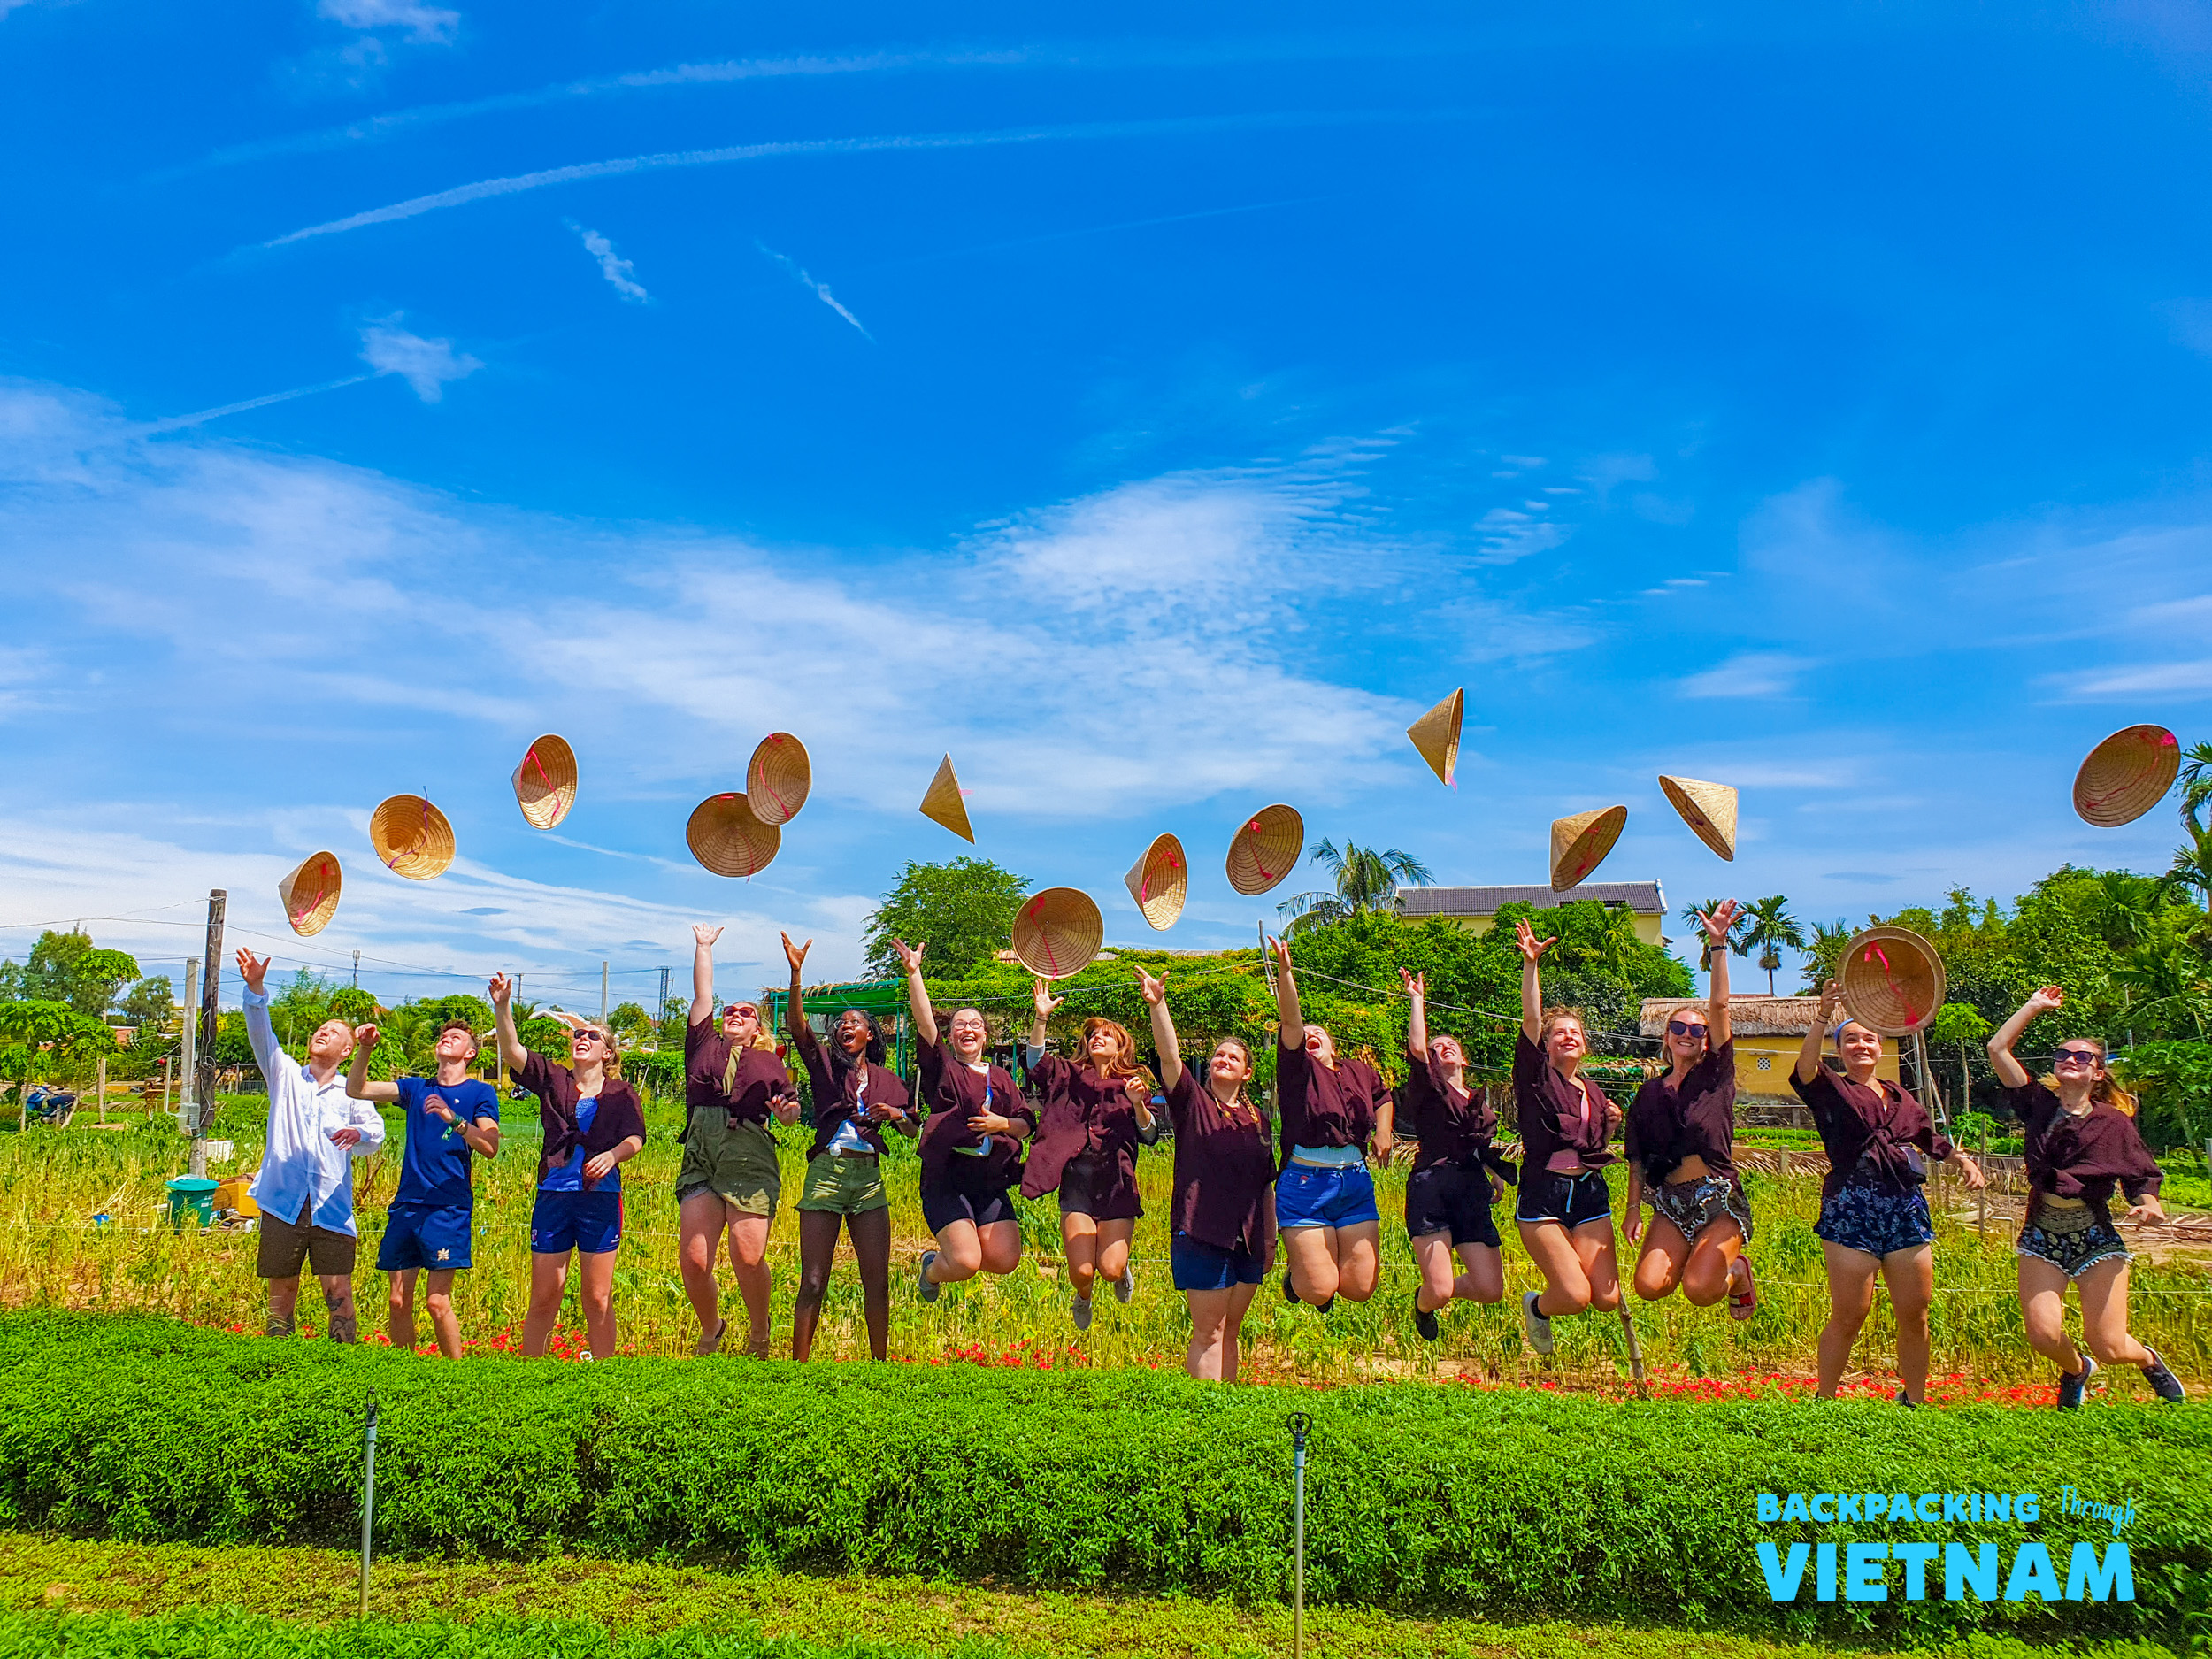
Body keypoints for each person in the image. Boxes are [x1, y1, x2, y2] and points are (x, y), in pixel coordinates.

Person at [1986, 987, 2185, 1406]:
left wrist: (2149, 1205)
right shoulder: (2037, 1105)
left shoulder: (2114, 1123)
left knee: (2110, 1346)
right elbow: (1997, 1048)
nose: (2071, 1060)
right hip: (2041, 1233)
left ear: (2098, 1073)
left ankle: (2148, 1360)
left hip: (2095, 1236)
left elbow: (2142, 1174)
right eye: (2063, 1055)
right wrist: (2033, 1006)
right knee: (2043, 1336)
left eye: (2082, 1057)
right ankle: (2077, 1369)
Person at [1793, 978, 1984, 1406]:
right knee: (1850, 1314)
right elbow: (1805, 1071)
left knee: (1915, 1313)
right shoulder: (1832, 1088)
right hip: (1851, 1205)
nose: (1861, 1045)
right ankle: (1824, 1400)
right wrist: (1823, 1015)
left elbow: (1929, 1139)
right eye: (1851, 1040)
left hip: (1904, 1206)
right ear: (1839, 1050)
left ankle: (1914, 1400)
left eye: (1869, 1039)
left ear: (1881, 1047)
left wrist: (1963, 1161)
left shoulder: (1901, 1097)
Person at [489, 973, 645, 1359]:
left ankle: (604, 1375)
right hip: (554, 1196)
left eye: (592, 1036)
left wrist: (613, 1156)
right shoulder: (553, 1078)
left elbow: (636, 1138)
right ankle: (533, 1371)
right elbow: (512, 1051)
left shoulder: (622, 1092)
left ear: (607, 1053)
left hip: (600, 1199)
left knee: (597, 1297)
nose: (582, 1038)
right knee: (545, 1294)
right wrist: (502, 1005)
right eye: (578, 1034)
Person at [781, 932, 917, 1361]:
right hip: (827, 1173)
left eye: (855, 1022)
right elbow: (798, 1028)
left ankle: (879, 1366)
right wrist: (797, 974)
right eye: (840, 1023)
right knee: (813, 1280)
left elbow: (912, 1129)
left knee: (877, 1281)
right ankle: (799, 1368)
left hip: (869, 1180)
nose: (845, 1026)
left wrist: (894, 1115)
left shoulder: (889, 1080)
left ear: (870, 1035)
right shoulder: (824, 1065)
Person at [1136, 966, 1276, 1379]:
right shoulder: (1193, 1102)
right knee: (1208, 1332)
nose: (1223, 1059)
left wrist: (1269, 1240)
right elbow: (1169, 1057)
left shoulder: (1258, 1119)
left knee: (1230, 1331)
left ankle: (1228, 1406)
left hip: (1249, 1239)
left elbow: (1265, 1187)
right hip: (1201, 1232)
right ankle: (1204, 1410)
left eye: (1233, 1057)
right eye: (1218, 1055)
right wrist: (1158, 1005)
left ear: (1247, 1073)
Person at [236, 950, 384, 1340]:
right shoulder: (284, 1074)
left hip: (331, 1207)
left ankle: (341, 1363)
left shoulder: (352, 1091)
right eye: (320, 1029)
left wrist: (359, 1135)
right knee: (281, 1292)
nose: (323, 1033)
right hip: (282, 1202)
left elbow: (376, 1131)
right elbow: (260, 1033)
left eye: (333, 1032)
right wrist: (256, 989)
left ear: (347, 1051)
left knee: (338, 1292)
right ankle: (278, 1361)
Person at [1624, 900, 1756, 1317]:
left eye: (1697, 1030)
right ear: (1666, 1036)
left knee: (1700, 1289)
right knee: (1649, 1286)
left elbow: (1720, 1007)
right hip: (1671, 1199)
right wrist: (1632, 1210)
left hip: (1717, 1196)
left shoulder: (1715, 1077)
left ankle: (1736, 1272)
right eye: (1678, 1027)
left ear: (1706, 1040)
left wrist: (1718, 946)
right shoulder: (1648, 1093)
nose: (1688, 1033)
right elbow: (1636, 1157)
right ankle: (1700, 1259)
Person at [344, 1016, 501, 1358]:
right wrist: (365, 1048)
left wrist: (453, 1119)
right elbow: (357, 1090)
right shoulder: (415, 1088)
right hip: (407, 1205)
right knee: (398, 1299)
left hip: (448, 1208)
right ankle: (406, 1371)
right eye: (444, 1036)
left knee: (436, 1302)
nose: (447, 1039)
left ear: (471, 1053)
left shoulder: (480, 1092)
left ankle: (455, 1374)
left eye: (456, 1037)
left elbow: (490, 1146)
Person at [682, 924, 803, 1357]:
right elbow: (702, 995)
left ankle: (759, 1331)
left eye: (746, 1013)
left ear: (757, 1028)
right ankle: (712, 1328)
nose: (734, 1014)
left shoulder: (769, 1061)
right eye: (729, 1010)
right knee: (695, 1260)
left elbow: (790, 1108)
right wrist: (704, 947)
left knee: (748, 1257)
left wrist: (787, 1115)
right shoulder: (702, 1045)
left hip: (749, 1151)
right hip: (702, 1148)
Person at [892, 938, 1034, 1300]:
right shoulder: (944, 1069)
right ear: (951, 1036)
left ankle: (959, 1248)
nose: (967, 1029)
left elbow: (1025, 1125)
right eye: (959, 1025)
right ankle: (932, 1268)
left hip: (988, 1179)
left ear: (985, 1035)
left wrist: (1001, 1125)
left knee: (1005, 1260)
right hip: (947, 1178)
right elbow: (925, 1025)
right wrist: (914, 974)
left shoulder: (1002, 1078)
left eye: (975, 1024)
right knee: (966, 1261)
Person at [1510, 917, 1624, 1356]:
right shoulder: (1535, 1077)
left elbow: (1593, 1146)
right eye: (1559, 1033)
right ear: (1547, 1044)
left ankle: (1567, 1280)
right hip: (1545, 1193)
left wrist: (1609, 1126)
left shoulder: (1593, 1091)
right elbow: (1530, 1017)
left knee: (1607, 1299)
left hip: (1590, 1193)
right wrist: (1531, 965)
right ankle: (1537, 1306)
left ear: (1585, 1045)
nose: (1568, 1037)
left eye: (1575, 1033)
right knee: (1575, 1296)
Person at [1022, 978, 1161, 1331]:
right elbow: (1036, 1063)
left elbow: (1150, 1135)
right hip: (1077, 1185)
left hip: (1117, 1185)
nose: (1097, 1038)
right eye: (1093, 1035)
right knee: (1083, 1273)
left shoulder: (1133, 1082)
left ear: (1120, 1046)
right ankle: (1083, 1296)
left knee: (1109, 1269)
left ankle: (1121, 1269)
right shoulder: (1067, 1075)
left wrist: (1137, 1104)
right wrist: (1041, 1018)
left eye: (1106, 1035)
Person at [1267, 935, 1386, 1311]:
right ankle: (1301, 1274)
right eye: (1308, 1034)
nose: (1312, 1035)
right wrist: (1286, 972)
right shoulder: (1297, 1070)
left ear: (1333, 1046)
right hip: (1305, 1182)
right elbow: (1291, 1021)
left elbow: (1383, 1098)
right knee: (1320, 1290)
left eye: (1320, 1033)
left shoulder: (1358, 1071)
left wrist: (1383, 1132)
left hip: (1354, 1180)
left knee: (1360, 1288)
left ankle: (1312, 1265)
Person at [1397, 968, 1517, 1343]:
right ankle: (1423, 1302)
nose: (1443, 1047)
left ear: (1464, 1060)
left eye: (1451, 1045)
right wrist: (1417, 999)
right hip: (1432, 1188)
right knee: (1439, 1290)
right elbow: (1418, 1049)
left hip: (1471, 1192)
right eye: (1437, 1046)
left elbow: (1478, 1143)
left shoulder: (1481, 1105)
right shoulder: (1429, 1089)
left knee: (1490, 1289)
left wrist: (1493, 1171)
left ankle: (1436, 1291)